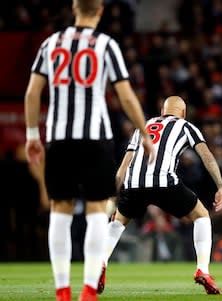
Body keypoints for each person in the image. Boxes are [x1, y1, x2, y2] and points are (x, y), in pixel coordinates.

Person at [24, 1, 153, 300]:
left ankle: (62, 290)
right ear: (101, 11)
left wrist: (33, 135)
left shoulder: (51, 43)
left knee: (60, 209)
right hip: (95, 138)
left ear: (73, 7)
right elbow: (126, 96)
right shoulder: (106, 45)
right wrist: (144, 133)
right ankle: (88, 290)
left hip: (58, 138)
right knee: (97, 210)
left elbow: (32, 93)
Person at [99, 96, 222, 295]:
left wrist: (113, 196)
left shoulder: (145, 125)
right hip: (164, 182)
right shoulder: (186, 126)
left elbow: (124, 166)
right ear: (182, 113)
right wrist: (221, 186)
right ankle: (203, 269)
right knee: (201, 216)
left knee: (117, 222)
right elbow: (206, 155)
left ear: (162, 111)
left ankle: (101, 262)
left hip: (134, 184)